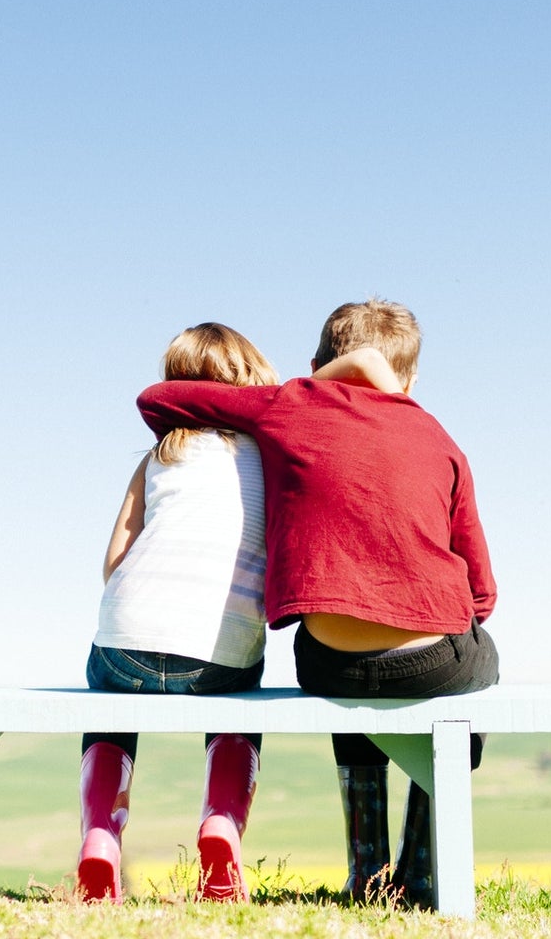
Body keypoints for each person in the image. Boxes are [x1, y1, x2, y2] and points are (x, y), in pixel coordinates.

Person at [135, 299, 499, 906]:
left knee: (354, 676)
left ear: (313, 365)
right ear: (411, 380)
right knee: (476, 681)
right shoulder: (440, 438)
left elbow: (156, 398)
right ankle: (424, 871)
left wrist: (304, 387)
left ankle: (367, 869)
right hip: (432, 657)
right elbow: (482, 593)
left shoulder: (289, 405)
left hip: (328, 661)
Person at [79, 323, 393, 902]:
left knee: (109, 709)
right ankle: (221, 825)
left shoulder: (159, 455)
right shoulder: (277, 459)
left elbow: (114, 560)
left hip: (125, 646)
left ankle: (100, 837)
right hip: (219, 657)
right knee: (238, 703)